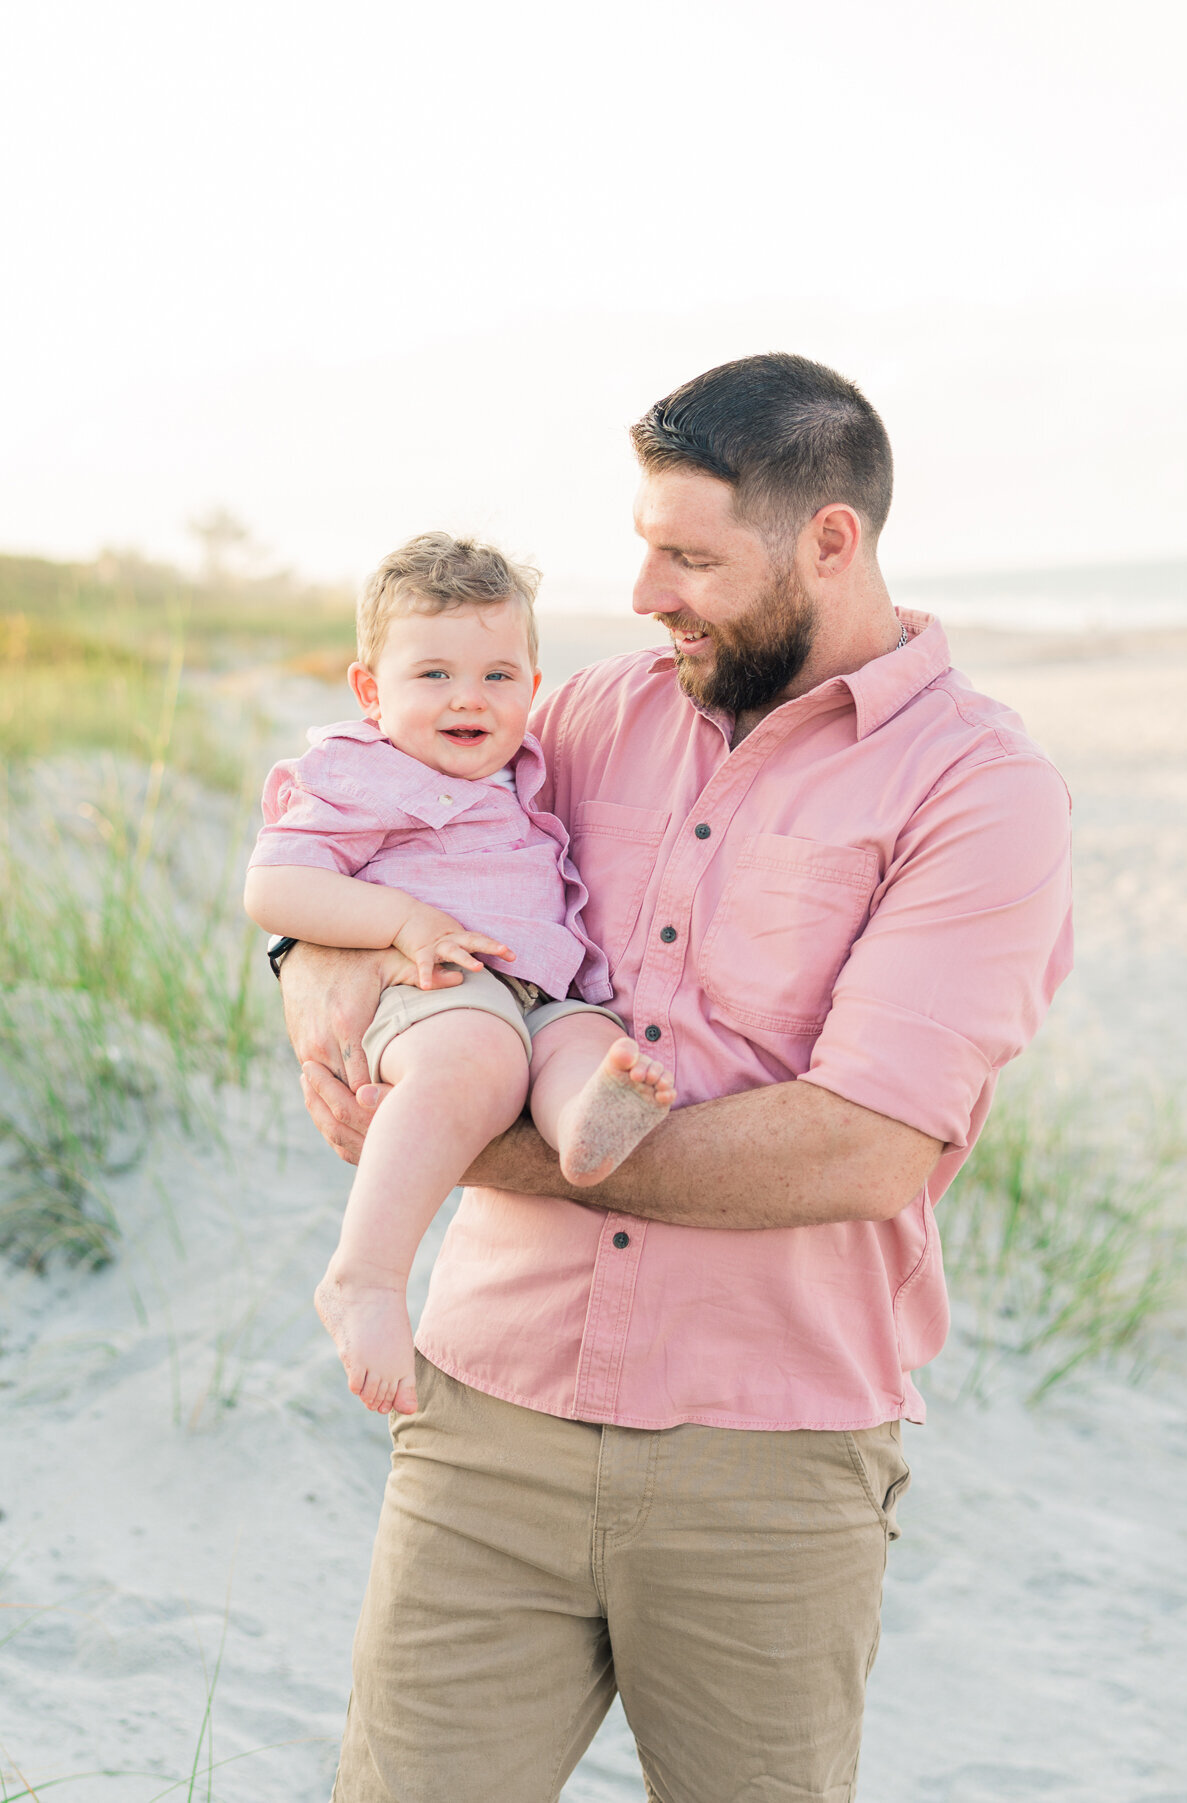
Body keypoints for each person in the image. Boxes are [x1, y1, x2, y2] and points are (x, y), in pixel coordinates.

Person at [279, 353, 1073, 1803]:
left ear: (830, 541)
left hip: (765, 1465)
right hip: (484, 1416)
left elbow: (863, 1148)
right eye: (644, 545)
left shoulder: (981, 791)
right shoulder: (583, 715)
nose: (646, 590)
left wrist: (465, 1141)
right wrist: (310, 983)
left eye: (691, 556)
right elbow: (372, 856)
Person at [244, 534, 675, 1416]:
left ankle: (583, 1127)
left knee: (590, 1043)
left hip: (544, 982)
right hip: (434, 988)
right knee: (478, 1058)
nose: (467, 699)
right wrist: (398, 923)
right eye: (433, 675)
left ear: (534, 687)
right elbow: (274, 886)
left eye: (497, 676)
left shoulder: (526, 770)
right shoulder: (359, 773)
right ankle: (364, 1276)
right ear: (371, 691)